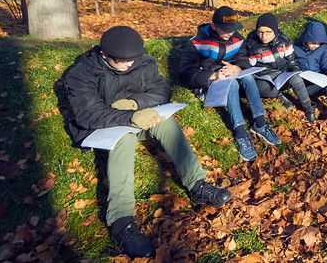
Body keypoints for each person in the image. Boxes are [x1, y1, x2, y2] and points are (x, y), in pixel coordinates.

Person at [63, 26, 231, 258]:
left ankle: (197, 185)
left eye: (133, 60)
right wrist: (128, 117)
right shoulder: (81, 73)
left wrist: (134, 104)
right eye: (122, 62)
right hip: (98, 128)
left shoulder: (143, 61)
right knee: (122, 138)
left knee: (166, 122)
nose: (130, 65)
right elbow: (88, 114)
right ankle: (121, 221)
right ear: (104, 55)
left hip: (132, 116)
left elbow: (161, 90)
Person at [178, 7, 281, 162]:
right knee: (231, 84)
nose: (230, 33)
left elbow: (244, 58)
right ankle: (240, 133)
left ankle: (260, 122)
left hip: (229, 74)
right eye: (226, 29)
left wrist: (238, 67)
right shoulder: (196, 43)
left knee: (248, 78)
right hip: (207, 83)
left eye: (233, 29)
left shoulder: (236, 37)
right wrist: (213, 75)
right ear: (214, 26)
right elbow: (185, 73)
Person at [234, 13, 316, 121]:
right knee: (258, 86)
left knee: (296, 79)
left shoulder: (283, 41)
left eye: (268, 32)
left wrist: (294, 71)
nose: (263, 36)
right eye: (260, 32)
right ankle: (279, 96)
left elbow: (292, 62)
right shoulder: (251, 44)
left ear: (275, 31)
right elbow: (248, 65)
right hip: (264, 76)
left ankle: (308, 108)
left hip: (283, 74)